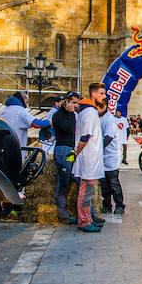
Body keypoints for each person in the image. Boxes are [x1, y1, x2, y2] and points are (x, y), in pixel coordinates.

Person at [0, 91, 51, 221]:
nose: (27, 104)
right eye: (26, 102)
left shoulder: (3, 111)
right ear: (23, 100)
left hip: (0, 152)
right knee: (12, 183)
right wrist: (49, 122)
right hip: (15, 152)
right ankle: (8, 213)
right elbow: (36, 124)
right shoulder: (20, 111)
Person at [73, 83, 107, 232]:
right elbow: (85, 137)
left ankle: (88, 218)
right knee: (85, 192)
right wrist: (76, 154)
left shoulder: (89, 112)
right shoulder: (89, 113)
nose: (104, 96)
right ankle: (84, 221)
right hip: (88, 160)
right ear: (93, 95)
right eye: (101, 94)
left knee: (88, 192)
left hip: (91, 160)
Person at [52, 92, 80, 223]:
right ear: (66, 102)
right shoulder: (58, 116)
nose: (76, 106)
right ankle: (62, 213)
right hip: (64, 150)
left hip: (70, 151)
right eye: (73, 103)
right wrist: (69, 113)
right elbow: (68, 128)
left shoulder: (74, 115)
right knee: (63, 180)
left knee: (74, 177)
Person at [99, 108, 125, 214]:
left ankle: (119, 205)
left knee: (114, 183)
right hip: (102, 157)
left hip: (111, 157)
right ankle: (107, 205)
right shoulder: (98, 118)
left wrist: (96, 149)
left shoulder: (109, 120)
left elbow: (108, 138)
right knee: (104, 185)